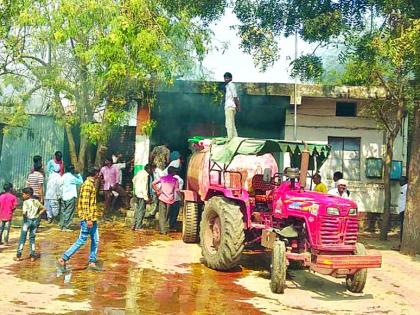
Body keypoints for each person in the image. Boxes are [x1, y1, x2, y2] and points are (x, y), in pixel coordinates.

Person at [57, 167, 100, 270]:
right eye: (98, 173)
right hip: (88, 218)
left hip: (92, 218)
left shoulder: (89, 184)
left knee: (95, 239)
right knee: (82, 240)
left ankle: (92, 261)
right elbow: (85, 203)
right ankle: (64, 258)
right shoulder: (88, 185)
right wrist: (88, 219)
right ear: (95, 174)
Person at [15, 187, 46, 261]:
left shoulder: (25, 202)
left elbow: (24, 213)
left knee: (22, 238)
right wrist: (38, 215)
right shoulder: (36, 201)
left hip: (27, 221)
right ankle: (32, 255)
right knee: (32, 238)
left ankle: (18, 256)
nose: (22, 195)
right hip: (35, 221)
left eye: (23, 194)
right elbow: (44, 208)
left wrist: (25, 217)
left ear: (28, 195)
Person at [152, 166, 180, 234]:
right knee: (168, 215)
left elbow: (153, 183)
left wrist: (157, 191)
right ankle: (166, 228)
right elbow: (176, 190)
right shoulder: (175, 180)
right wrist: (181, 198)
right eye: (175, 171)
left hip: (162, 198)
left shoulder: (162, 178)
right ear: (173, 172)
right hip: (170, 199)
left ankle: (163, 230)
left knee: (162, 215)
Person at [131, 163, 156, 231]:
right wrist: (146, 198)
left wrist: (136, 187)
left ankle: (134, 225)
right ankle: (138, 227)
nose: (152, 171)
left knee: (137, 210)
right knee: (141, 211)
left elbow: (133, 180)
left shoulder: (139, 172)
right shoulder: (146, 176)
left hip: (136, 193)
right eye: (152, 169)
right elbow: (144, 188)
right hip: (142, 195)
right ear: (149, 169)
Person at [60, 165, 83, 231]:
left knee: (63, 212)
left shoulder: (63, 176)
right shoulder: (72, 177)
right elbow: (81, 182)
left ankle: (62, 225)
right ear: (72, 170)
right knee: (69, 212)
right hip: (70, 196)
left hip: (63, 196)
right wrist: (78, 174)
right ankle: (66, 226)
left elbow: (60, 184)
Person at [223, 72, 240, 140]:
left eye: (227, 78)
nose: (226, 79)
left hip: (230, 107)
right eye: (225, 78)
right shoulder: (228, 86)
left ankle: (230, 139)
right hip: (230, 107)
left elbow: (235, 96)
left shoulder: (231, 85)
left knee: (229, 124)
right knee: (231, 124)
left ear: (231, 78)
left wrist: (238, 106)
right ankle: (235, 139)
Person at [397, 176, 408, 249]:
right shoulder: (403, 187)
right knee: (401, 227)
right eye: (399, 180)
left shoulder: (407, 187)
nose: (400, 182)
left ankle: (401, 243)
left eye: (402, 180)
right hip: (401, 210)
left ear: (406, 181)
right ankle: (401, 243)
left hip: (404, 210)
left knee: (403, 227)